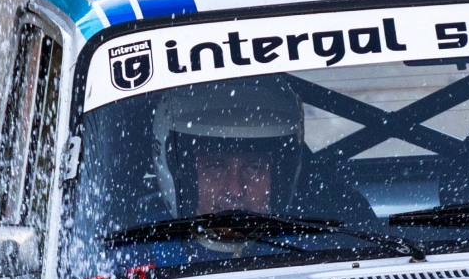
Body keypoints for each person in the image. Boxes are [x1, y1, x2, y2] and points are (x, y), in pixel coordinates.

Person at [153, 77, 373, 225]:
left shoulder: (337, 226)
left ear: (281, 175)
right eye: (215, 167)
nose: (235, 191)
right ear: (183, 173)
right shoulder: (142, 240)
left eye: (254, 167)